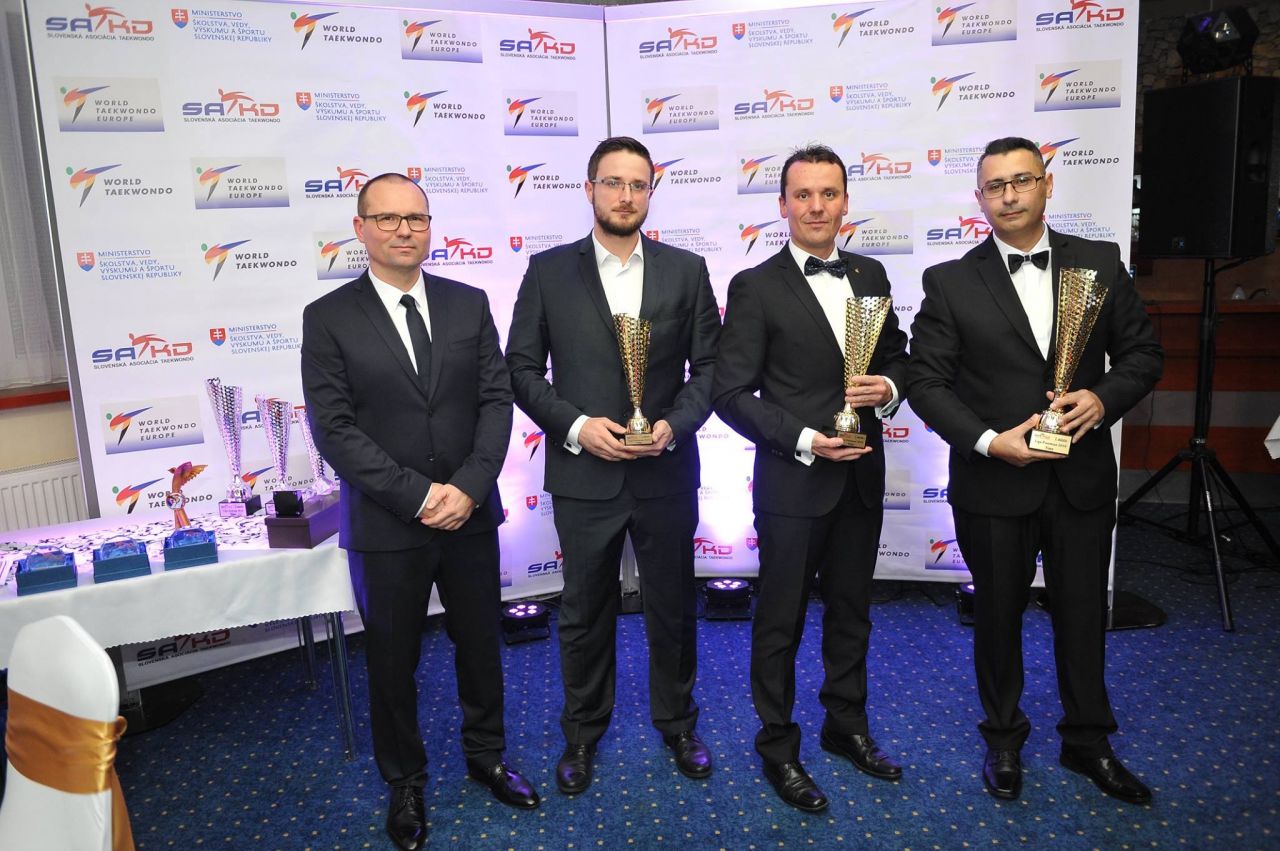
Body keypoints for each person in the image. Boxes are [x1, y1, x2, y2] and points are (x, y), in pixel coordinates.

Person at [908, 137, 1162, 804]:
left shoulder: (1100, 261)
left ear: (1047, 185)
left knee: (1083, 614)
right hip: (994, 482)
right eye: (996, 186)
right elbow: (927, 383)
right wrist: (990, 441)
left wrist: (1102, 399)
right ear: (980, 198)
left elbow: (1143, 354)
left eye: (1022, 180)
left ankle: (1088, 741)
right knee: (997, 618)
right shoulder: (950, 281)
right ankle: (1002, 738)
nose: (1010, 195)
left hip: (1080, 478)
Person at [301, 173, 538, 851]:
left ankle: (487, 755)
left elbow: (495, 401)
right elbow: (335, 429)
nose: (404, 230)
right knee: (392, 659)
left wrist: (468, 487)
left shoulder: (468, 303)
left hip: (470, 515)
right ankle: (404, 780)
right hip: (387, 525)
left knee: (480, 646)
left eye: (417, 218)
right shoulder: (329, 317)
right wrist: (418, 495)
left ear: (430, 226)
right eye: (388, 218)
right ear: (360, 229)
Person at [505, 136, 721, 794]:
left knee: (673, 606)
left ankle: (678, 723)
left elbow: (711, 369)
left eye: (638, 184)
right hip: (584, 473)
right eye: (613, 182)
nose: (625, 196)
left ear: (651, 190)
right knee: (583, 611)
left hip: (664, 471)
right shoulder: (547, 271)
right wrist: (576, 426)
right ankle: (581, 732)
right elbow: (521, 369)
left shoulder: (686, 270)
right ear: (589, 189)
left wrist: (673, 426)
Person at [711, 145, 909, 812]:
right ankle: (778, 746)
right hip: (794, 483)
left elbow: (898, 356)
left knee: (853, 613)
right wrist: (803, 439)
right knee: (781, 622)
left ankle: (845, 725)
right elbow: (730, 392)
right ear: (783, 205)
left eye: (828, 193)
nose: (816, 206)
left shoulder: (872, 273)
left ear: (846, 201)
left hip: (861, 477)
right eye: (803, 195)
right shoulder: (755, 285)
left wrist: (889, 388)